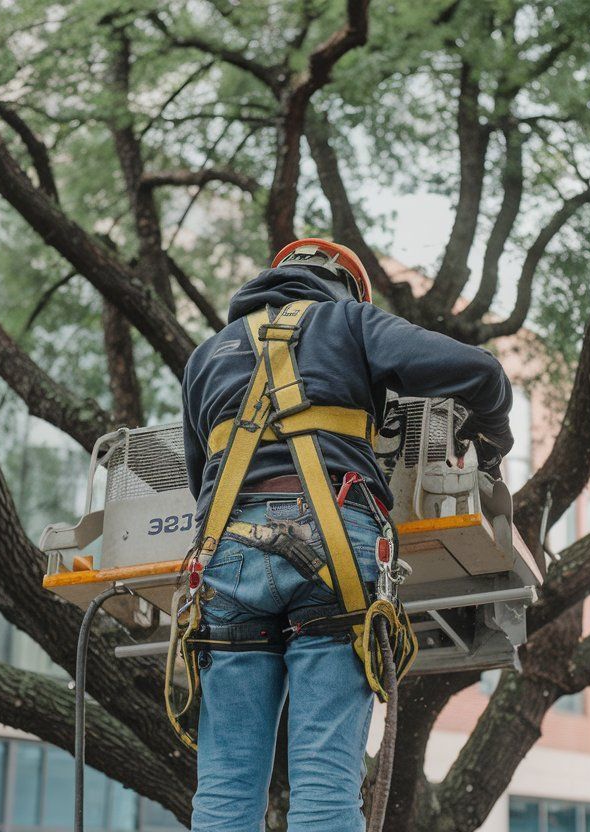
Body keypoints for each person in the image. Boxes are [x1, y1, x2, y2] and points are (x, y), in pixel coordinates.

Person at [180, 238, 513, 832]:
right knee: (326, 787)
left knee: (226, 790)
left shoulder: (206, 355)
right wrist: (491, 438)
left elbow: (197, 479)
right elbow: (480, 371)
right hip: (334, 546)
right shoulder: (348, 322)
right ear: (343, 287)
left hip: (226, 556)